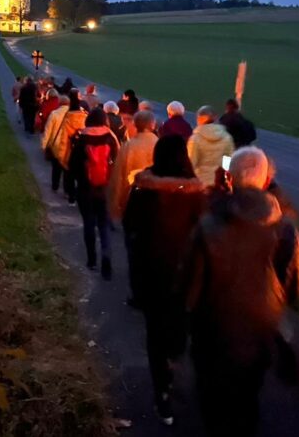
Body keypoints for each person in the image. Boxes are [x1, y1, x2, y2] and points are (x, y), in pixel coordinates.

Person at [183, 147, 299, 436]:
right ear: (264, 180)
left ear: (230, 178)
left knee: (213, 398)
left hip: (213, 330)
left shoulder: (210, 223)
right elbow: (297, 283)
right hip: (259, 329)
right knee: (248, 396)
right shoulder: (284, 227)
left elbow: (191, 286)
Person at [123, 136, 207, 425]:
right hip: (185, 277)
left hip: (152, 275)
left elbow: (129, 227)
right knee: (179, 329)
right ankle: (175, 361)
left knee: (155, 335)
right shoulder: (196, 192)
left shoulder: (142, 189)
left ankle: (163, 394)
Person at [69, 108, 120, 278]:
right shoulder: (110, 137)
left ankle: (91, 260)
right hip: (103, 188)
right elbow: (117, 160)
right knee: (104, 225)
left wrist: (78, 180)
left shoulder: (81, 137)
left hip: (85, 189)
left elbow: (73, 165)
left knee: (89, 223)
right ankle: (107, 256)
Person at [41, 90, 87, 203]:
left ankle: (55, 185)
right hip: (70, 145)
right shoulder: (79, 115)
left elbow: (48, 131)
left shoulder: (55, 114)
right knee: (67, 170)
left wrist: (44, 144)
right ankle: (67, 191)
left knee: (56, 168)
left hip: (56, 144)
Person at [187, 105, 236, 187]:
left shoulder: (195, 139)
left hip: (201, 183)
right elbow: (228, 163)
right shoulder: (226, 137)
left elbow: (191, 164)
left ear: (199, 120)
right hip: (219, 184)